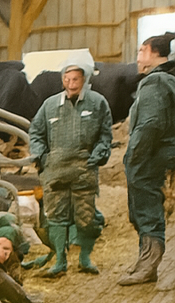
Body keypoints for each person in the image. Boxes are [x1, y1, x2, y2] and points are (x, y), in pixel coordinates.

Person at [27, 59, 112, 277]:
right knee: (56, 216)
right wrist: (41, 156)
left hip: (84, 169)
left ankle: (85, 258)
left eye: (76, 79)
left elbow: (105, 134)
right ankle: (60, 262)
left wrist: (99, 153)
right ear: (62, 79)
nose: (71, 83)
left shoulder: (97, 103)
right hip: (55, 171)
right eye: (67, 78)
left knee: (86, 216)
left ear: (84, 79)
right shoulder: (50, 105)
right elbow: (36, 132)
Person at [119, 31, 175, 286]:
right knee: (145, 206)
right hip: (160, 153)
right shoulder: (167, 78)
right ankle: (145, 263)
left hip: (151, 155)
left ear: (153, 54)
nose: (138, 57)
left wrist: (133, 157)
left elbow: (150, 125)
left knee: (145, 206)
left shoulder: (155, 82)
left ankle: (149, 265)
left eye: (142, 51)